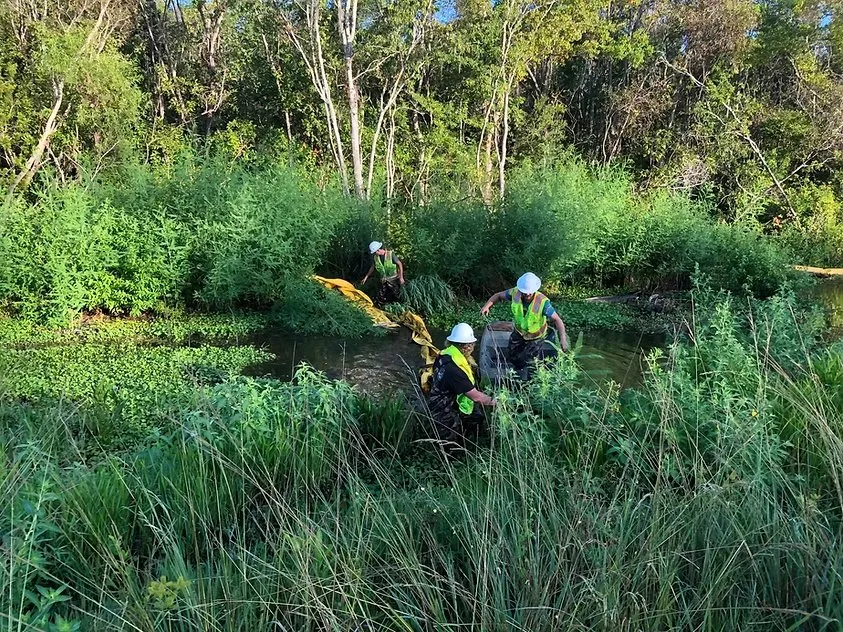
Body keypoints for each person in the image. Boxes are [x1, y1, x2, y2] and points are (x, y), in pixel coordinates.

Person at [480, 272, 569, 379]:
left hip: (535, 337)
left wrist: (563, 339)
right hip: (519, 331)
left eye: (529, 293)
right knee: (513, 355)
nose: (527, 295)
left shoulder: (542, 302)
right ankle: (517, 370)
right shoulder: (515, 293)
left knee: (530, 361)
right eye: (524, 292)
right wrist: (487, 306)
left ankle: (528, 380)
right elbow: (498, 296)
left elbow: (557, 320)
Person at [428, 323, 496, 446]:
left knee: (476, 418)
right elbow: (476, 397)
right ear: (467, 346)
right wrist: (496, 401)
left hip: (449, 396)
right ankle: (452, 459)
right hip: (443, 406)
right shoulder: (455, 370)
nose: (473, 347)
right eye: (473, 344)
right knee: (450, 440)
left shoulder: (446, 354)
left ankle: (472, 442)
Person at [361, 241, 405, 307]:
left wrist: (401, 277)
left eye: (375, 252)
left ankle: (397, 307)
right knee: (382, 297)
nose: (375, 254)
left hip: (394, 280)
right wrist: (366, 277)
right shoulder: (376, 257)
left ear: (378, 250)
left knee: (396, 295)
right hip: (384, 280)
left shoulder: (390, 254)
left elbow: (399, 264)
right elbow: (373, 267)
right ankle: (384, 307)